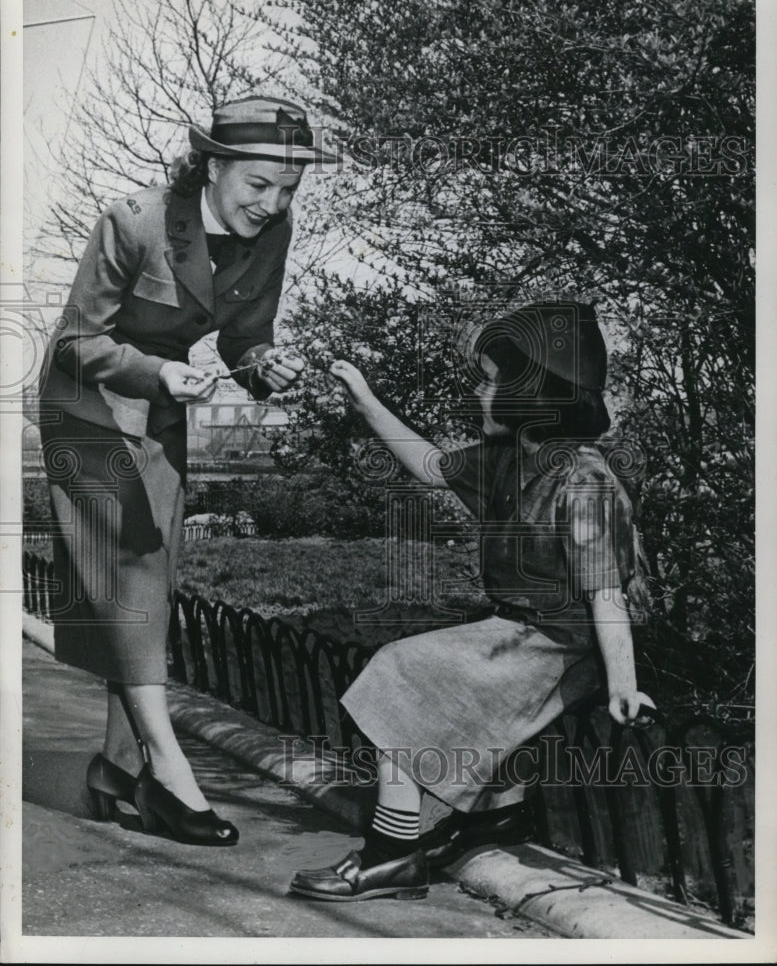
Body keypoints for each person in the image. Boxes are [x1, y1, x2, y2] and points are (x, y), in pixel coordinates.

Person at [38, 96, 333, 845]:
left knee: (148, 583)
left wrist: (269, 365)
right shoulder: (133, 221)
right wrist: (160, 373)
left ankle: (112, 764)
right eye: (257, 184)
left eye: (287, 191)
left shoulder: (271, 231)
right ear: (212, 166)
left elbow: (245, 336)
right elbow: (76, 343)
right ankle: (168, 775)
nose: (271, 204)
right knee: (130, 567)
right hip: (88, 409)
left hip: (162, 411)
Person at [289, 301, 654, 900]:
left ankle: (392, 854)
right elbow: (430, 467)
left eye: (489, 382)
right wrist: (364, 400)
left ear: (530, 394)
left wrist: (622, 684)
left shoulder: (584, 479)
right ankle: (493, 816)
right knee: (423, 670)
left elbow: (605, 593)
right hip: (516, 633)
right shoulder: (511, 459)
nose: (479, 394)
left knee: (403, 669)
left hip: (561, 644)